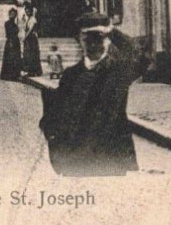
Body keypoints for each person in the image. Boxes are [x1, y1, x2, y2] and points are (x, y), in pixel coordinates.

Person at [39, 11, 139, 176]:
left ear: (107, 41)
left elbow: (137, 53)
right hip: (76, 163)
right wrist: (56, 145)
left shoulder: (118, 71)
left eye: (98, 38)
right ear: (80, 40)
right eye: (87, 39)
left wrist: (111, 30)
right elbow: (54, 115)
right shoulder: (71, 75)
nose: (92, 45)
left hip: (110, 162)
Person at [0, 8, 22, 81]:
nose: (12, 15)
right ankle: (8, 75)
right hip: (11, 41)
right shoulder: (7, 23)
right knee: (10, 58)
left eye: (14, 14)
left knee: (15, 58)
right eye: (11, 14)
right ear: (9, 14)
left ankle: (15, 75)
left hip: (16, 42)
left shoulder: (15, 24)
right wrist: (10, 42)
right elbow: (8, 33)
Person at [22, 5, 43, 76]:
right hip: (29, 39)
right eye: (26, 11)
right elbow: (25, 28)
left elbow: (30, 30)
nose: (27, 12)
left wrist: (25, 37)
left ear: (31, 11)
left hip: (32, 39)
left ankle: (35, 71)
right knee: (29, 55)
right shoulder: (28, 19)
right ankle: (31, 71)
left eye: (29, 11)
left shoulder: (33, 19)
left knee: (33, 54)